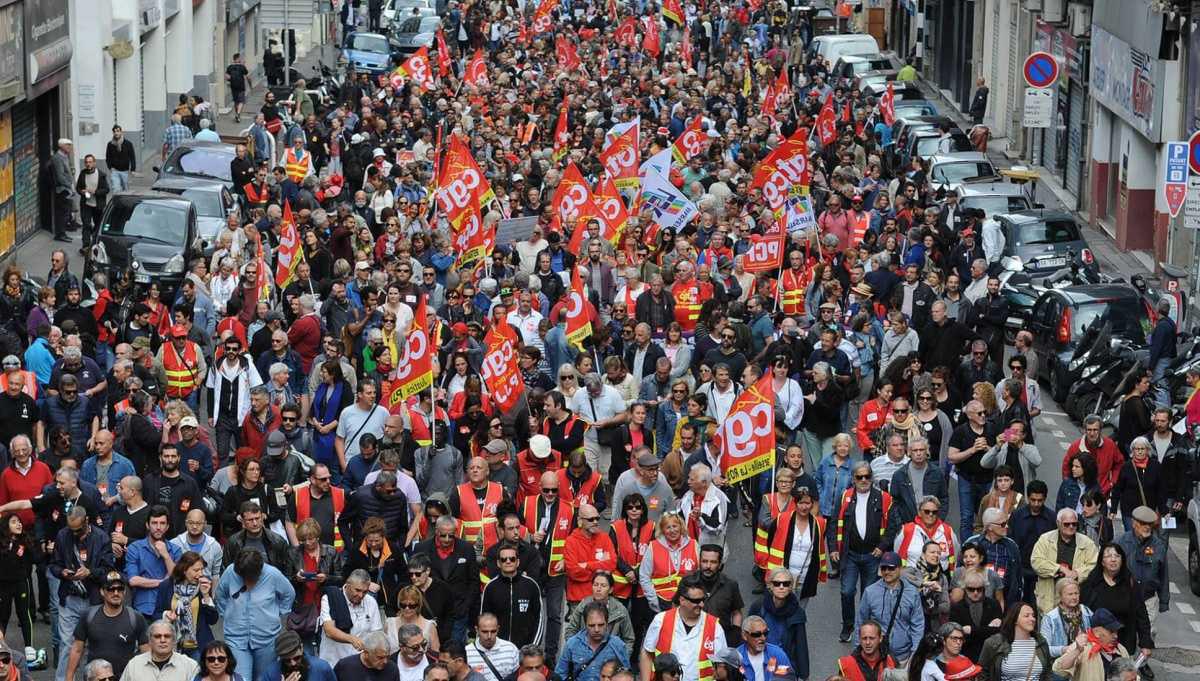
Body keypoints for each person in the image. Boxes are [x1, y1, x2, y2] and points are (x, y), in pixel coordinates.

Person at [831, 462, 900, 642]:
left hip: (873, 555)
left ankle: (866, 629)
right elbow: (832, 524)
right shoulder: (844, 497)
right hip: (850, 554)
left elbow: (893, 527)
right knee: (846, 591)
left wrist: (882, 547)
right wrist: (832, 549)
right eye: (859, 477)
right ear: (853, 479)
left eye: (867, 476)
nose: (863, 480)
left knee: (868, 595)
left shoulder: (884, 499)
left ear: (872, 478)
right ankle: (848, 625)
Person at [215, 550, 296, 681]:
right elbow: (220, 595)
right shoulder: (231, 572)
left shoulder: (272, 574)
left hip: (267, 639)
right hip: (236, 639)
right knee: (241, 679)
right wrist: (227, 613)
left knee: (263, 678)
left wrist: (277, 613)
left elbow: (289, 594)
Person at [63, 571, 149, 681]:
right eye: (111, 589)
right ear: (102, 592)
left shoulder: (136, 618)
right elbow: (77, 649)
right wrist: (69, 677)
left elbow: (146, 653)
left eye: (120, 589)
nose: (116, 593)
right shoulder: (89, 616)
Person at [1079, 543, 1153, 668]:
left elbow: (1141, 614)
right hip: (1096, 645)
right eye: (1108, 556)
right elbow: (1082, 613)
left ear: (1122, 560)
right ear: (1102, 561)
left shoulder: (1130, 583)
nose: (1113, 559)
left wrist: (1146, 643)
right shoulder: (1091, 584)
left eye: (1117, 556)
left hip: (1124, 644)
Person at [639, 578, 727, 681]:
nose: (701, 604)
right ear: (682, 600)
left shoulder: (715, 626)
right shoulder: (661, 620)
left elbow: (722, 666)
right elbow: (647, 653)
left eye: (703, 600)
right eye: (696, 601)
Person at [854, 552, 925, 664]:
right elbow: (860, 622)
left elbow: (918, 624)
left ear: (900, 569)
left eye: (891, 568)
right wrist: (857, 652)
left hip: (903, 657)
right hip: (876, 657)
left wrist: (915, 653)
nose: (887, 572)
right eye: (883, 568)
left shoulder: (912, 593)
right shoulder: (870, 592)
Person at [151, 551, 218, 658]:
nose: (200, 574)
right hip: (173, 645)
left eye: (202, 570)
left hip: (198, 647)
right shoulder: (166, 586)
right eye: (196, 570)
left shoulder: (203, 587)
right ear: (184, 570)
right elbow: (156, 615)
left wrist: (206, 596)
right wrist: (166, 615)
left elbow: (213, 620)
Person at [1030, 510, 1098, 615]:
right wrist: (1059, 569)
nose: (1071, 526)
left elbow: (1094, 565)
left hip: (1075, 600)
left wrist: (1077, 573)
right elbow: (1036, 562)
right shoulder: (1045, 539)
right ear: (1058, 523)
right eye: (1066, 524)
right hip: (1048, 598)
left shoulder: (1087, 543)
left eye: (1074, 524)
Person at [746, 570, 809, 681]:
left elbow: (801, 644)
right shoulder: (759, 606)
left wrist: (804, 675)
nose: (781, 587)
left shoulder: (797, 612)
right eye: (777, 583)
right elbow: (747, 633)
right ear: (770, 586)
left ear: (790, 587)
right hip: (759, 661)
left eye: (785, 584)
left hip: (783, 665)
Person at [479, 542, 544, 648]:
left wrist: (532, 647)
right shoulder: (491, 587)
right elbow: (484, 620)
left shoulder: (531, 585)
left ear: (518, 562)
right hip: (498, 650)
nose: (508, 561)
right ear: (498, 563)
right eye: (504, 559)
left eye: (512, 559)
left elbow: (539, 619)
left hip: (525, 651)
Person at [124, 506, 183, 617]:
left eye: (162, 523)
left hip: (169, 609)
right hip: (143, 608)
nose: (158, 527)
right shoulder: (135, 548)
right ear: (147, 525)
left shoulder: (175, 550)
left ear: (167, 527)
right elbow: (133, 580)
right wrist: (163, 582)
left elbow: (176, 580)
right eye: (154, 523)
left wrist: (166, 556)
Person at [318, 569, 385, 666]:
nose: (361, 595)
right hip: (333, 662)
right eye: (357, 590)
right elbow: (329, 630)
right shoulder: (330, 598)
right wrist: (351, 639)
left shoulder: (371, 602)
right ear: (347, 584)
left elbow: (376, 633)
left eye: (365, 592)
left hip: (358, 664)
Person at [555, 602, 630, 681]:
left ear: (607, 624)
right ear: (585, 624)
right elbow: (560, 675)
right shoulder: (572, 644)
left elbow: (626, 675)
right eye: (591, 625)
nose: (596, 630)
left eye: (601, 625)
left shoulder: (617, 645)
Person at [1049, 608, 1129, 681]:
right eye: (1111, 631)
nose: (1116, 636)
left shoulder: (1121, 649)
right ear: (1097, 632)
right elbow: (1059, 669)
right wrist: (1077, 650)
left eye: (1116, 631)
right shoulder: (1083, 646)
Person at [978, 603, 1053, 681]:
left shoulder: (1041, 642)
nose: (1032, 619)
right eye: (1026, 616)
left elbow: (1048, 672)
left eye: (1033, 615)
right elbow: (982, 673)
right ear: (1015, 619)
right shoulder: (994, 643)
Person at [118, 620, 199, 681]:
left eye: (167, 636)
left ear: (174, 641)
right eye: (157, 636)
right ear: (149, 641)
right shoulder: (134, 665)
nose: (162, 640)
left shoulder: (189, 666)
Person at [948, 571, 1002, 661]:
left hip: (991, 656)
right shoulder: (957, 608)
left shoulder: (993, 604)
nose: (975, 593)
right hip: (966, 656)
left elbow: (998, 631)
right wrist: (986, 630)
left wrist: (971, 630)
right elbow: (957, 635)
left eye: (979, 589)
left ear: (984, 588)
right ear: (965, 588)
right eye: (971, 589)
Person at [677, 464, 730, 548]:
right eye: (688, 478)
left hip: (710, 553)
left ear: (704, 483)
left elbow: (718, 528)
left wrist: (701, 516)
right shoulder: (687, 495)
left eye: (692, 479)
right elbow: (680, 517)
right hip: (690, 551)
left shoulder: (719, 499)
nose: (688, 482)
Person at [1040, 579, 1092, 659]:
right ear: (1060, 596)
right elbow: (1044, 649)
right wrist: (1064, 649)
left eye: (1076, 593)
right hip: (1061, 663)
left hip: (1085, 659)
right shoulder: (1050, 618)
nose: (1074, 597)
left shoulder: (1086, 611)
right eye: (1070, 594)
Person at [260, 630, 337, 681]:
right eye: (287, 660)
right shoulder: (270, 673)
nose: (293, 663)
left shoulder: (321, 668)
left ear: (302, 648)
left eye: (297, 658)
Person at [465, 612, 520, 681]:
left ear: (498, 629)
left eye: (493, 631)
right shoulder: (467, 653)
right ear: (477, 630)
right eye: (485, 632)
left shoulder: (511, 649)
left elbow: (519, 676)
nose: (489, 636)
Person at [334, 630, 400, 681]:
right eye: (380, 657)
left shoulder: (392, 669)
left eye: (388, 657)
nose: (385, 661)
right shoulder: (345, 666)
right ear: (366, 653)